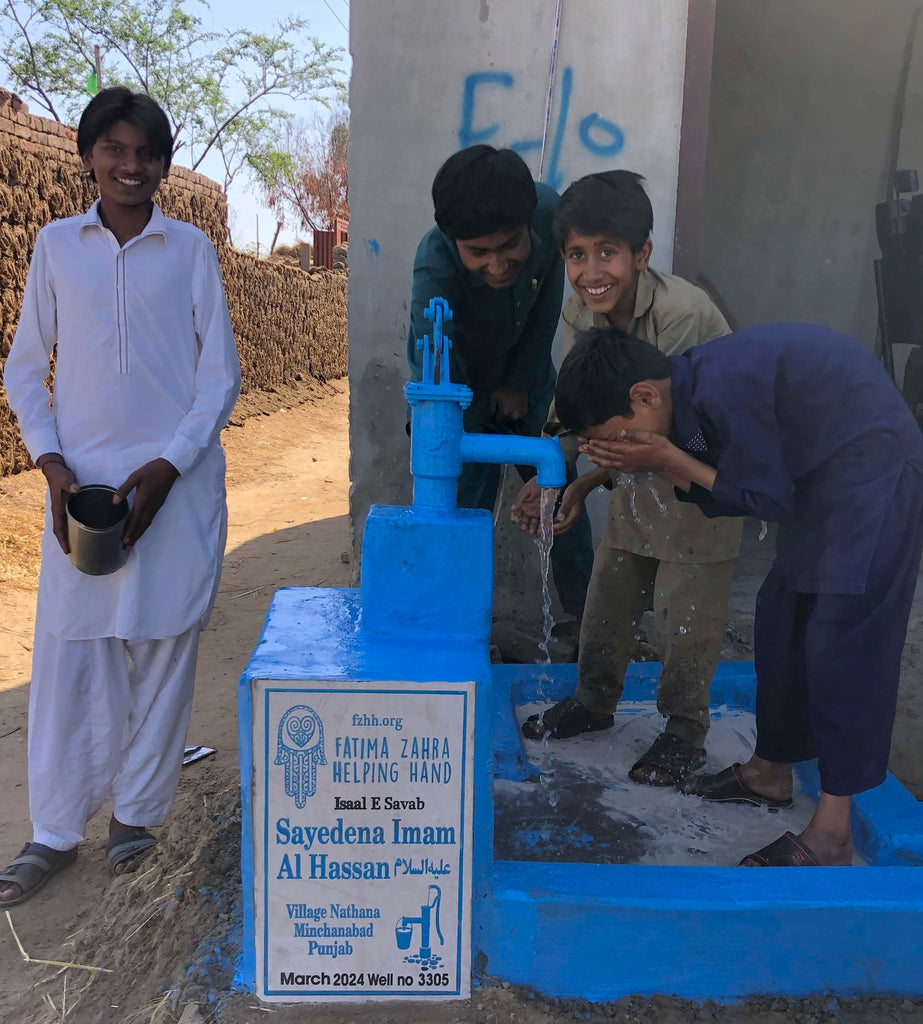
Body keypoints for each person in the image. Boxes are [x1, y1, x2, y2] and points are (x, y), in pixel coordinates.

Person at [553, 323, 923, 866]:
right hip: (821, 484)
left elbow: (764, 497)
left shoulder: (726, 386)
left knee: (841, 643)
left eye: (618, 437)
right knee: (781, 621)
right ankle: (769, 772)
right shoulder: (685, 392)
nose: (621, 450)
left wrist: (668, 460)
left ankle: (833, 830)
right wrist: (586, 483)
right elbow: (742, 480)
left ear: (644, 397)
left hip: (875, 477)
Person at [0, 87, 241, 905]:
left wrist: (172, 466)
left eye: (146, 153)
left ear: (165, 165)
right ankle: (53, 833)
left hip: (176, 484)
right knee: (73, 652)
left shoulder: (191, 250)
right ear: (88, 155)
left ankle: (134, 822)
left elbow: (220, 377)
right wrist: (53, 465)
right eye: (115, 149)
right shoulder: (56, 246)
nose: (131, 166)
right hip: (86, 492)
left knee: (165, 646)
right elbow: (23, 369)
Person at [515, 171, 742, 789]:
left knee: (682, 611)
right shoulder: (577, 311)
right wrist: (552, 478)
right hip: (635, 467)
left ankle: (684, 731)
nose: (593, 271)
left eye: (608, 252)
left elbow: (655, 434)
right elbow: (582, 408)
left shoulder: (680, 316)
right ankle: (593, 702)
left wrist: (581, 482)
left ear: (641, 254)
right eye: (577, 255)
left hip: (700, 470)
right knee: (609, 593)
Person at [407, 144, 593, 626]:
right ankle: (455, 627)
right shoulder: (433, 264)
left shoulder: (551, 213)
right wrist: (458, 425)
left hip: (527, 383)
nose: (496, 264)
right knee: (461, 512)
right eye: (478, 253)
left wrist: (519, 381)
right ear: (454, 243)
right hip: (458, 393)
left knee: (561, 500)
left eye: (510, 245)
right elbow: (432, 368)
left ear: (531, 225)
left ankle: (587, 629)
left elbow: (550, 299)